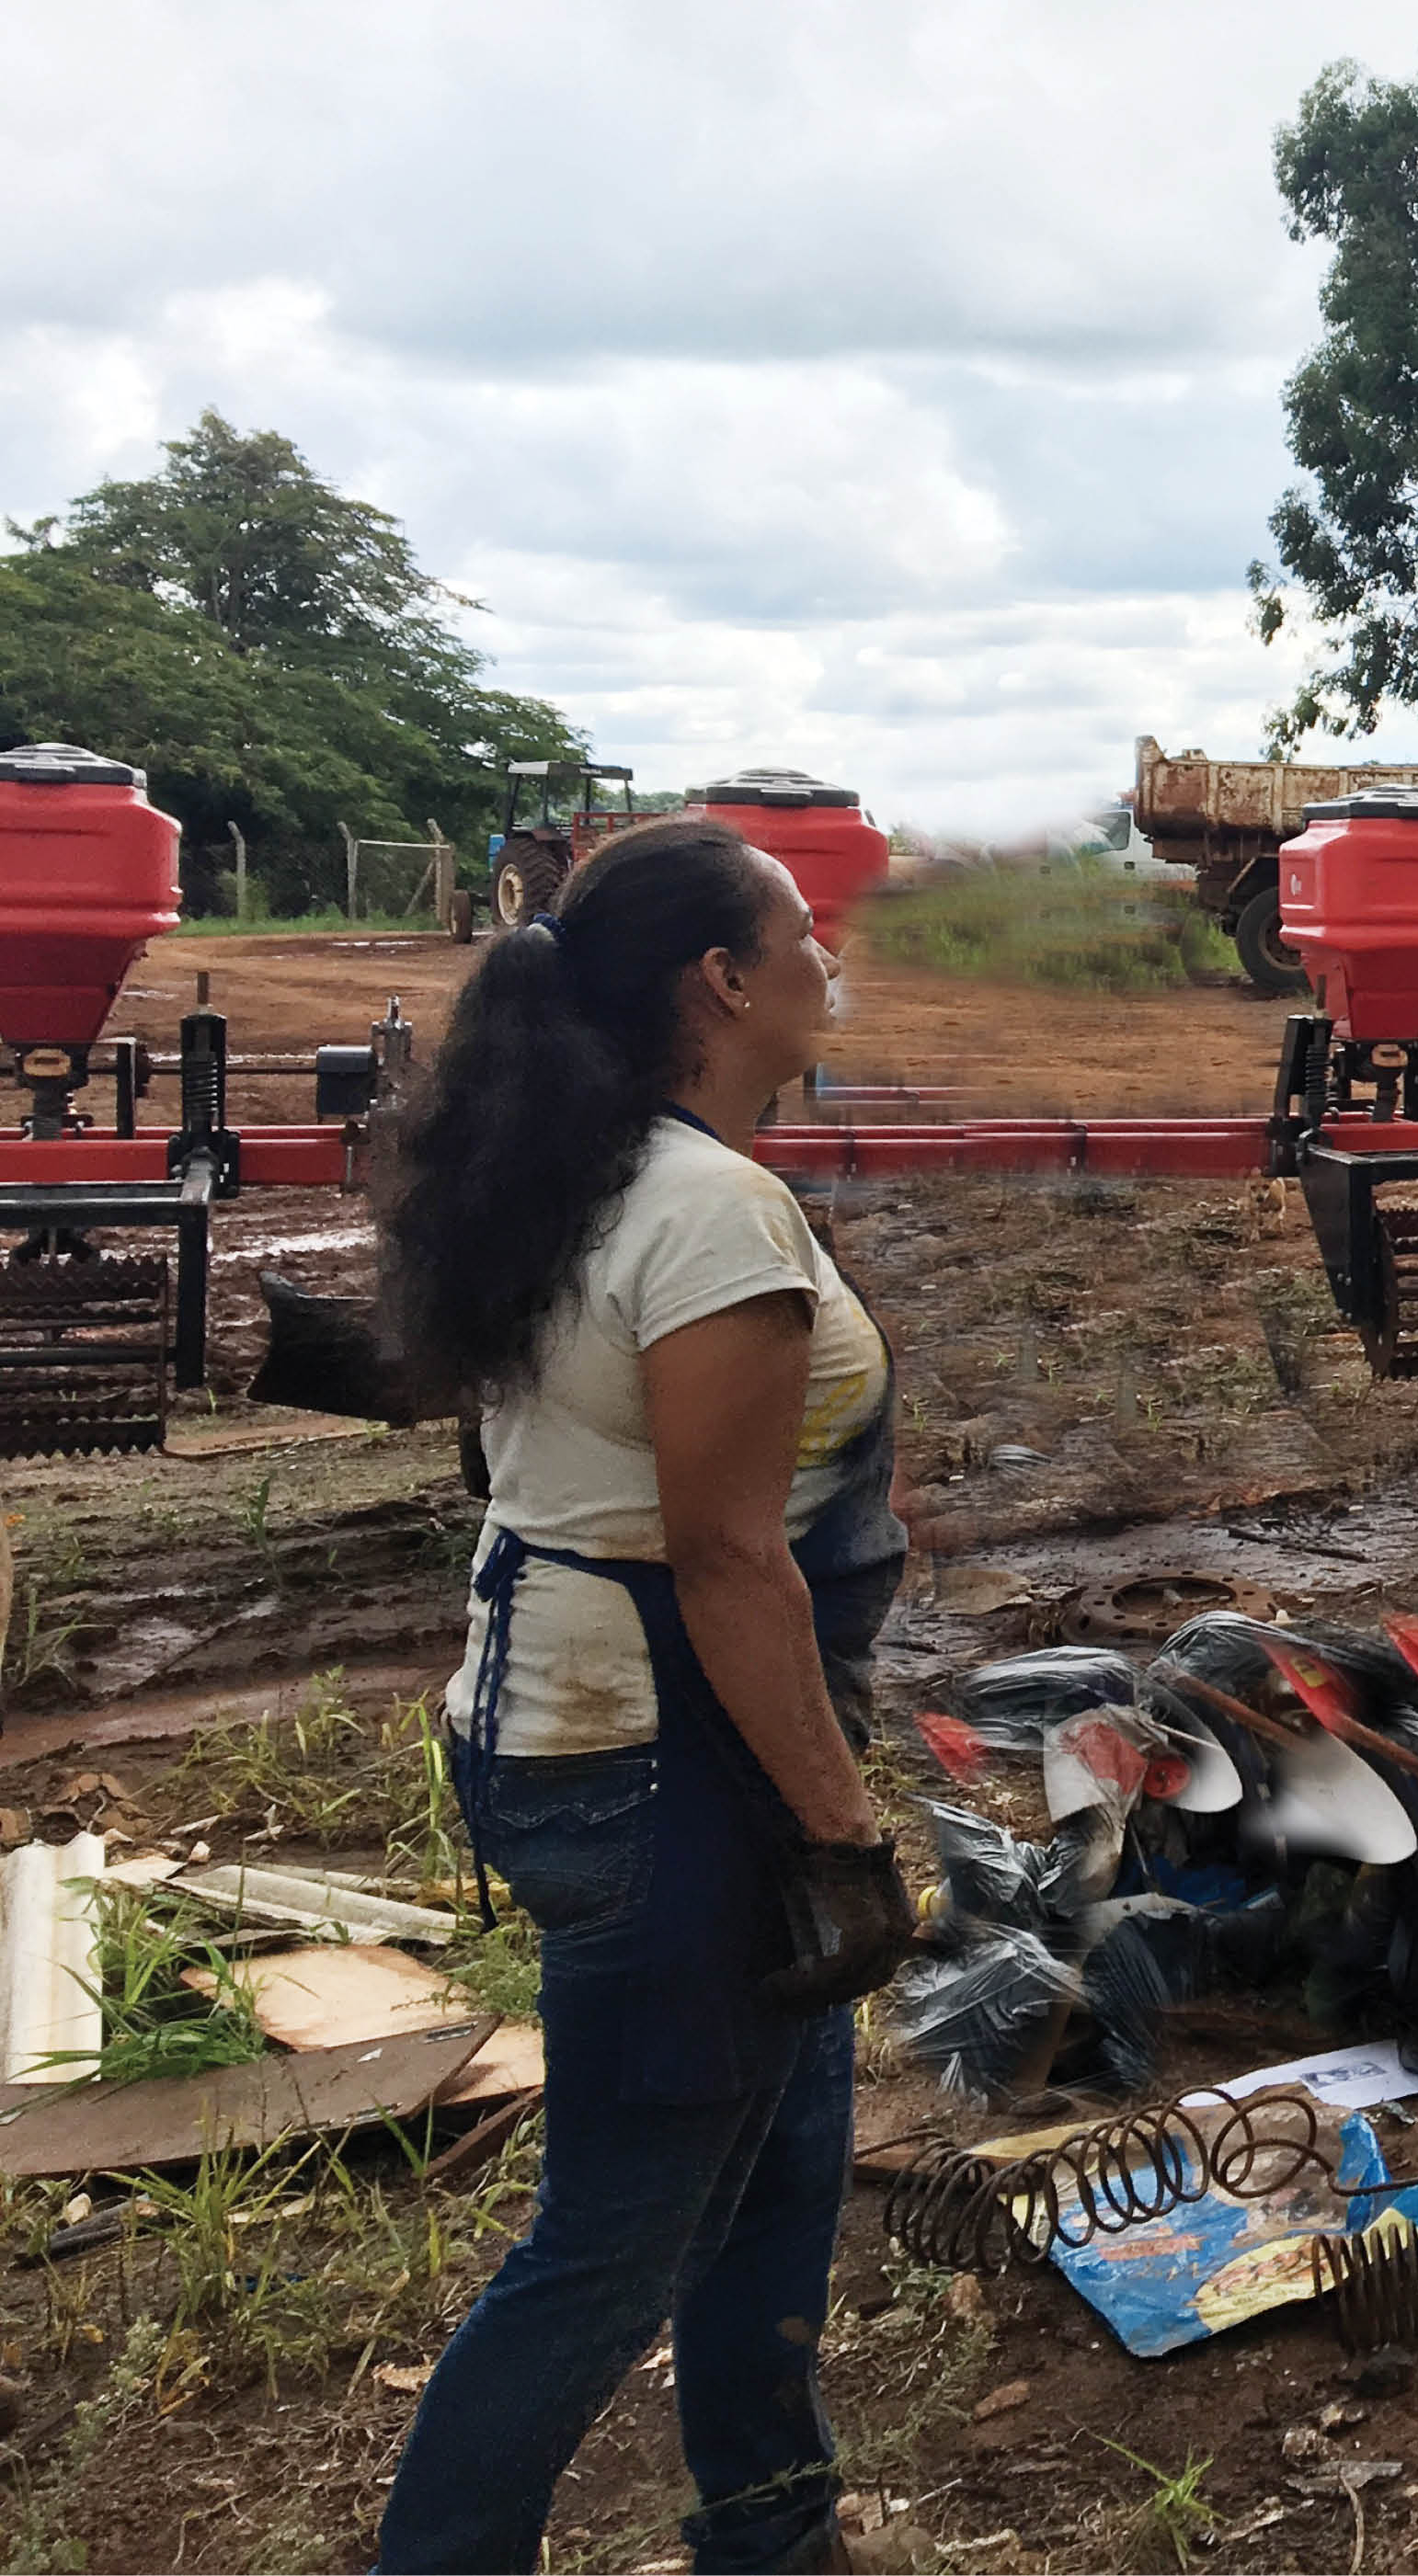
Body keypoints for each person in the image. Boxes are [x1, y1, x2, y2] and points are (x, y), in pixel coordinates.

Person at [372, 817, 919, 2575]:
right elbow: (728, 1558)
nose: (829, 952)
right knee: (609, 2240)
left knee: (781, 2163)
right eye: (801, 928)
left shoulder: (593, 1169)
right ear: (721, 978)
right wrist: (843, 1832)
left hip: (593, 1724)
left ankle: (772, 2531)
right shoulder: (710, 1212)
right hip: (672, 1760)